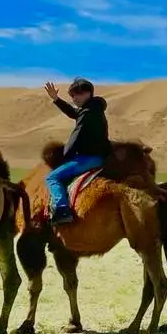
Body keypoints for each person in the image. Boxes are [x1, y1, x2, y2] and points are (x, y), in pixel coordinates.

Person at [43, 78, 110, 225]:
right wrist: (56, 99)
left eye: (78, 94)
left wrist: (64, 156)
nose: (75, 98)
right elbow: (75, 113)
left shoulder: (87, 113)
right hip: (98, 157)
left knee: (52, 178)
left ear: (88, 93)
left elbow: (76, 136)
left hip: (88, 159)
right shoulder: (93, 108)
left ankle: (62, 210)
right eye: (73, 95)